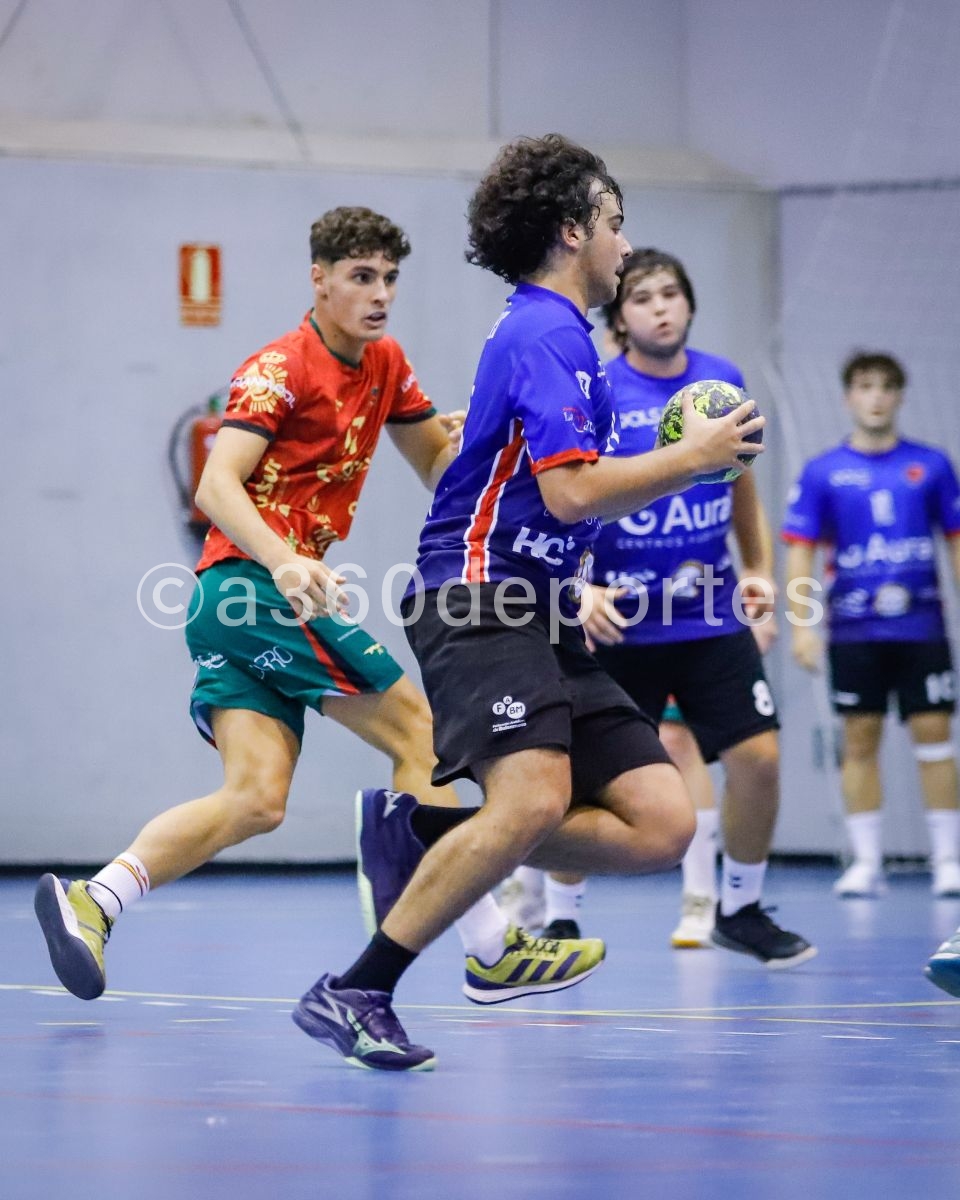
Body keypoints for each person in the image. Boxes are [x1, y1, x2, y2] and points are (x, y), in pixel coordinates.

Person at [290, 134, 767, 1071]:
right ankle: (359, 987)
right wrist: (696, 459)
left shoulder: (567, 338)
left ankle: (425, 829)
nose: (627, 247)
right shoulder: (545, 331)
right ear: (571, 230)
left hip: (544, 608)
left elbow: (554, 498)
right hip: (476, 595)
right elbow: (572, 493)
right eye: (616, 225)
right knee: (535, 795)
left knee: (663, 823)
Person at [33, 206, 514, 1004]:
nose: (379, 294)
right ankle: (489, 944)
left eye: (390, 278)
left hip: (246, 602)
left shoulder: (386, 363)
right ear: (319, 279)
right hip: (252, 590)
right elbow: (216, 486)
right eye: (361, 277)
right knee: (421, 734)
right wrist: (288, 560)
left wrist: (475, 438)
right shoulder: (277, 368)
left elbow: (438, 467)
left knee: (256, 800)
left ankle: (97, 900)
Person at [549, 248, 811, 963]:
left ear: (689, 303)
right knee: (580, 775)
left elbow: (742, 484)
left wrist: (758, 570)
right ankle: (560, 916)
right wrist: (580, 589)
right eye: (642, 297)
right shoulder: (597, 388)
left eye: (671, 293)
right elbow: (565, 497)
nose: (660, 307)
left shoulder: (722, 383)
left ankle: (741, 906)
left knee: (759, 758)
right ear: (621, 317)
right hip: (620, 623)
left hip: (709, 617)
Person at [783, 351, 960, 898]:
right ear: (848, 397)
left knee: (935, 737)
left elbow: (953, 543)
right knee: (859, 741)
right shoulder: (823, 472)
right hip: (854, 631)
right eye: (865, 386)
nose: (876, 397)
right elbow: (800, 554)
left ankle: (948, 861)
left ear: (901, 396)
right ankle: (865, 862)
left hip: (921, 627)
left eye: (887, 386)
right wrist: (804, 626)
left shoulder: (930, 466)